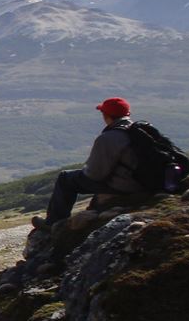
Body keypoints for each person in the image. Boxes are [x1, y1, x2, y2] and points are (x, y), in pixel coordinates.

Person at [32, 97, 145, 230]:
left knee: (65, 178)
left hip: (127, 186)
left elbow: (95, 175)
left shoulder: (109, 138)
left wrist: (85, 169)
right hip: (145, 182)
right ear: (127, 114)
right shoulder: (141, 131)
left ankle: (53, 223)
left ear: (106, 115)